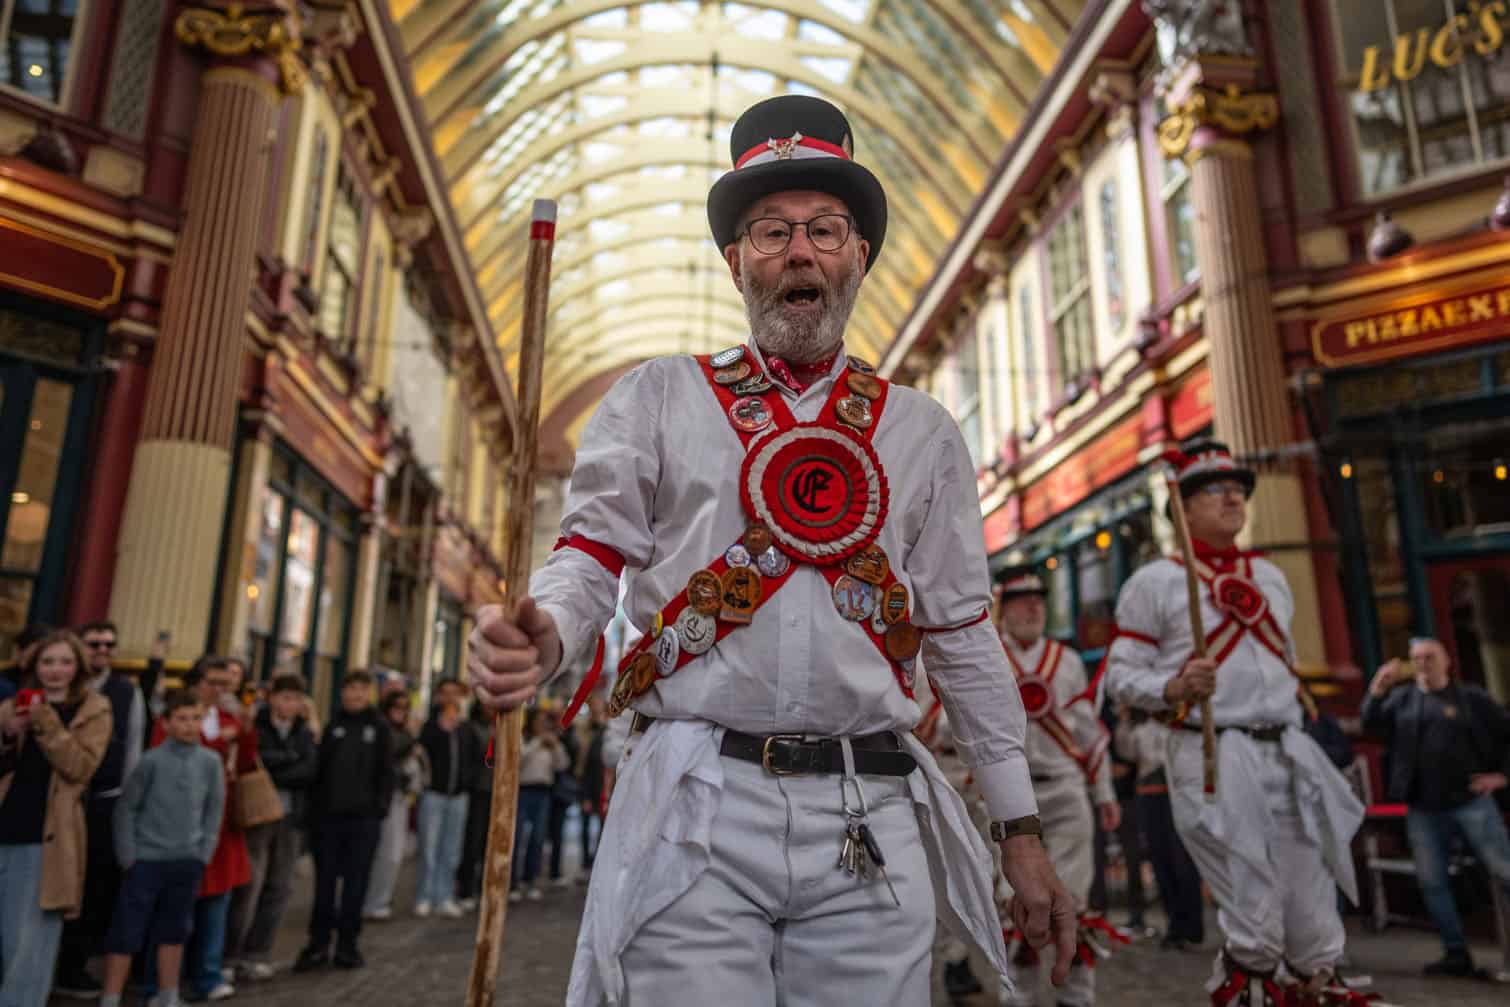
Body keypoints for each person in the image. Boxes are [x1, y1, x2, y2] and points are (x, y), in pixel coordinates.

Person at [465, 93, 1075, 1006]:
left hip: (870, 812)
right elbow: (589, 556)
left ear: (858, 258)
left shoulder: (923, 431)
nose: (800, 250)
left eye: (826, 230)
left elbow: (961, 633)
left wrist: (1020, 826)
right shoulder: (657, 398)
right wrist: (544, 632)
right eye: (771, 230)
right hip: (694, 808)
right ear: (735, 261)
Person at [1103, 441, 1368, 1006]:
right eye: (1215, 490)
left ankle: (1317, 986)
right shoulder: (1155, 583)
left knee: (1314, 906)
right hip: (1214, 753)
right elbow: (1121, 676)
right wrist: (1172, 687)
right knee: (1254, 907)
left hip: (1289, 750)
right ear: (1184, 508)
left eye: (1238, 490)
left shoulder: (1270, 575)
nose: (1233, 498)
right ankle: (1252, 989)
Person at [992, 567, 1122, 1007]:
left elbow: (1089, 731)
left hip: (1066, 791)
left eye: (1039, 600)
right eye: (1021, 600)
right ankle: (1018, 999)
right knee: (1015, 903)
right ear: (1002, 608)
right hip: (1010, 800)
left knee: (1076, 901)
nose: (1033, 607)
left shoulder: (1065, 660)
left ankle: (1076, 998)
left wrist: (1104, 793)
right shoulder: (987, 656)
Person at [1361, 637, 1510, 979]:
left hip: (1471, 802)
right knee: (1433, 882)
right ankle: (1455, 953)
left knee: (1504, 872)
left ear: (1447, 662)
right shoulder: (1402, 700)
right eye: (1416, 658)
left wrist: (1501, 777)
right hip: (1423, 808)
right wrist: (1377, 689)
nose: (1423, 663)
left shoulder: (1472, 699)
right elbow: (1371, 725)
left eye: (1430, 657)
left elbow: (1506, 734)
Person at [0, 631, 112, 1007]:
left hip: (45, 839)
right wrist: (6, 734)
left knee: (28, 944)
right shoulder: (11, 705)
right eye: (48, 662)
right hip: (5, 824)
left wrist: (45, 723)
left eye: (65, 662)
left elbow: (80, 768)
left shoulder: (95, 710)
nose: (55, 671)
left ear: (78, 667)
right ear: (34, 666)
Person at [54, 622, 163, 998]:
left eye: (109, 644)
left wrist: (127, 803)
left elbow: (134, 746)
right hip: (60, 802)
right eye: (95, 643)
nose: (103, 649)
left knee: (97, 885)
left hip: (105, 801)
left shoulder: (125, 692)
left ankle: (74, 964)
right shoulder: (64, 688)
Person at [98, 689, 224, 1007]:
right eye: (181, 719)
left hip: (186, 860)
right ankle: (110, 996)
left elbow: (214, 810)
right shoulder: (150, 761)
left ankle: (168, 995)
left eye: (196, 718)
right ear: (166, 723)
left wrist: (203, 852)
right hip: (146, 860)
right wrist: (129, 855)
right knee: (127, 930)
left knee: (175, 931)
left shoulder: (211, 762)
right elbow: (127, 809)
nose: (189, 725)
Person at [148, 657, 257, 1003]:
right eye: (214, 682)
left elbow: (245, 766)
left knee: (216, 903)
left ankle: (207, 974)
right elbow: (166, 762)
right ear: (196, 683)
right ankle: (163, 980)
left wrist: (246, 730)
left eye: (227, 684)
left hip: (221, 827)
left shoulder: (229, 719)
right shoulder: (174, 718)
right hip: (177, 826)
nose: (221, 691)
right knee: (174, 906)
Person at [294, 670, 392, 972]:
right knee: (324, 886)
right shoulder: (332, 725)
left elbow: (386, 773)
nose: (355, 695)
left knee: (355, 885)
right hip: (329, 821)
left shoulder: (380, 728)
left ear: (370, 694)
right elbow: (319, 772)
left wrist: (377, 810)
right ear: (342, 692)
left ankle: (348, 945)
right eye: (351, 689)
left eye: (362, 690)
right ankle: (318, 944)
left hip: (363, 822)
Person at [226, 673, 317, 979]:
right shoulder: (258, 726)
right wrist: (289, 760)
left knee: (280, 886)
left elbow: (309, 770)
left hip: (291, 819)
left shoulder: (304, 732)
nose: (289, 704)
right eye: (284, 697)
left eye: (295, 698)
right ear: (272, 697)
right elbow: (254, 760)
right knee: (248, 885)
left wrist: (282, 764)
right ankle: (230, 955)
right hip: (257, 815)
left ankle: (258, 953)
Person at [1113, 705, 1204, 951]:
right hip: (1149, 795)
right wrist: (1125, 722)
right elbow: (1127, 752)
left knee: (1183, 861)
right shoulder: (1139, 727)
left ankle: (1191, 926)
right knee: (1160, 860)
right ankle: (1174, 925)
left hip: (1176, 793)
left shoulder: (1178, 723)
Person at [365, 689, 426, 921]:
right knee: (385, 852)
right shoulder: (384, 731)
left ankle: (381, 898)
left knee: (393, 853)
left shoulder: (403, 732)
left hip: (400, 797)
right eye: (396, 707)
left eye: (404, 708)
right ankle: (374, 901)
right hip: (384, 798)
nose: (400, 712)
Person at [414, 695, 474, 918]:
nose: (453, 714)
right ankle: (424, 896)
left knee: (452, 851)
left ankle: (444, 896)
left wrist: (466, 781)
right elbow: (421, 752)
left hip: (458, 797)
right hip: (434, 794)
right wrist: (440, 731)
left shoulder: (464, 730)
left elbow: (474, 757)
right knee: (429, 848)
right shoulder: (431, 729)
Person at [510, 708, 569, 904]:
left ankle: (530, 880)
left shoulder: (551, 743)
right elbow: (518, 760)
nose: (543, 725)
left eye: (545, 722)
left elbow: (562, 765)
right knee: (517, 838)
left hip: (543, 793)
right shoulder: (524, 739)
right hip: (524, 790)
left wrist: (556, 747)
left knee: (537, 839)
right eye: (540, 721)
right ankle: (513, 883)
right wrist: (537, 743)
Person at [456, 701, 494, 909]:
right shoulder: (470, 728)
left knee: (486, 842)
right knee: (472, 839)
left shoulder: (496, 727)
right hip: (476, 790)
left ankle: (483, 887)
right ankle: (466, 888)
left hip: (493, 789)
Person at [571, 693, 610, 879]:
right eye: (593, 706)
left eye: (598, 705)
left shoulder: (609, 731)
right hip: (588, 783)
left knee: (603, 827)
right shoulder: (584, 729)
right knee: (586, 825)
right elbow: (582, 762)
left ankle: (598, 863)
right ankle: (586, 862)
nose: (595, 710)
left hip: (604, 784)